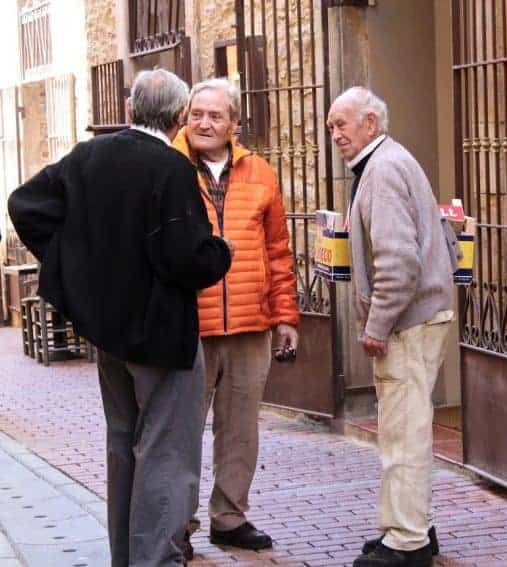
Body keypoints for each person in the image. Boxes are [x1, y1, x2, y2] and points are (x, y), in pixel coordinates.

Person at [8, 69, 232, 567]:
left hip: (108, 330)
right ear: (178, 118)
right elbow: (184, 258)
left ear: (130, 110)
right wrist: (221, 252)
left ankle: (126, 558)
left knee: (122, 444)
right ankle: (154, 559)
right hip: (162, 334)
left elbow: (26, 205)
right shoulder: (172, 169)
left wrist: (77, 266)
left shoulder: (90, 156)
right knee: (166, 449)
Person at [327, 87, 455, 567]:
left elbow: (398, 262)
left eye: (343, 124)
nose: (336, 134)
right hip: (421, 317)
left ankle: (406, 542)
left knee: (402, 433)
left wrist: (377, 324)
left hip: (408, 323)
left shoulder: (381, 169)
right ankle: (412, 525)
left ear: (371, 125)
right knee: (409, 429)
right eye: (331, 127)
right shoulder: (388, 162)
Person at [172, 78, 299, 552]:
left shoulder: (260, 173)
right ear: (185, 116)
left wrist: (285, 315)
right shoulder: (168, 167)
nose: (205, 123)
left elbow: (279, 251)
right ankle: (177, 525)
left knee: (241, 430)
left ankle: (229, 517)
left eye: (216, 115)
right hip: (191, 324)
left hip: (250, 325)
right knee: (181, 432)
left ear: (234, 123)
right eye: (197, 113)